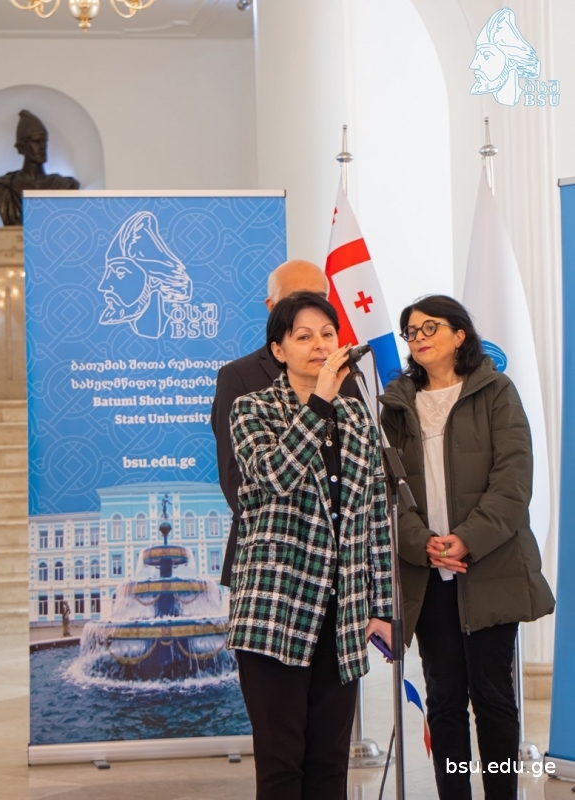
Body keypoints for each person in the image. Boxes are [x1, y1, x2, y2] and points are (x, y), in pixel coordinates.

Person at [379, 295, 554, 800]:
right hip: (428, 572)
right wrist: (422, 543)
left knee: (494, 700)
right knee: (444, 701)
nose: (419, 337)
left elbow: (513, 481)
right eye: (411, 331)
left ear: (460, 334)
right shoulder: (395, 405)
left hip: (490, 566)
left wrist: (467, 539)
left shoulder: (496, 391)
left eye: (430, 326)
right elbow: (385, 491)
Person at [229, 291, 392, 800]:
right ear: (279, 350)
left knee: (329, 763)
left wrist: (383, 607)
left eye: (327, 334)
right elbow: (275, 475)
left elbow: (374, 516)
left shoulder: (358, 417)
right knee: (282, 764)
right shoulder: (252, 409)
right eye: (304, 336)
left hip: (341, 614)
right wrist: (318, 402)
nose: (320, 344)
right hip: (276, 609)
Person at [211, 260, 357, 589]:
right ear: (271, 306)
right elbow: (235, 476)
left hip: (339, 564)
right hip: (273, 560)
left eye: (320, 296)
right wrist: (290, 539)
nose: (309, 304)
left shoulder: (344, 374)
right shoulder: (239, 377)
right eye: (297, 296)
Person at [0, 109, 79, 226]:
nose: (42, 147)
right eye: (36, 141)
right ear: (21, 147)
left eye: (44, 141)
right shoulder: (3, 187)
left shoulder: (64, 185)